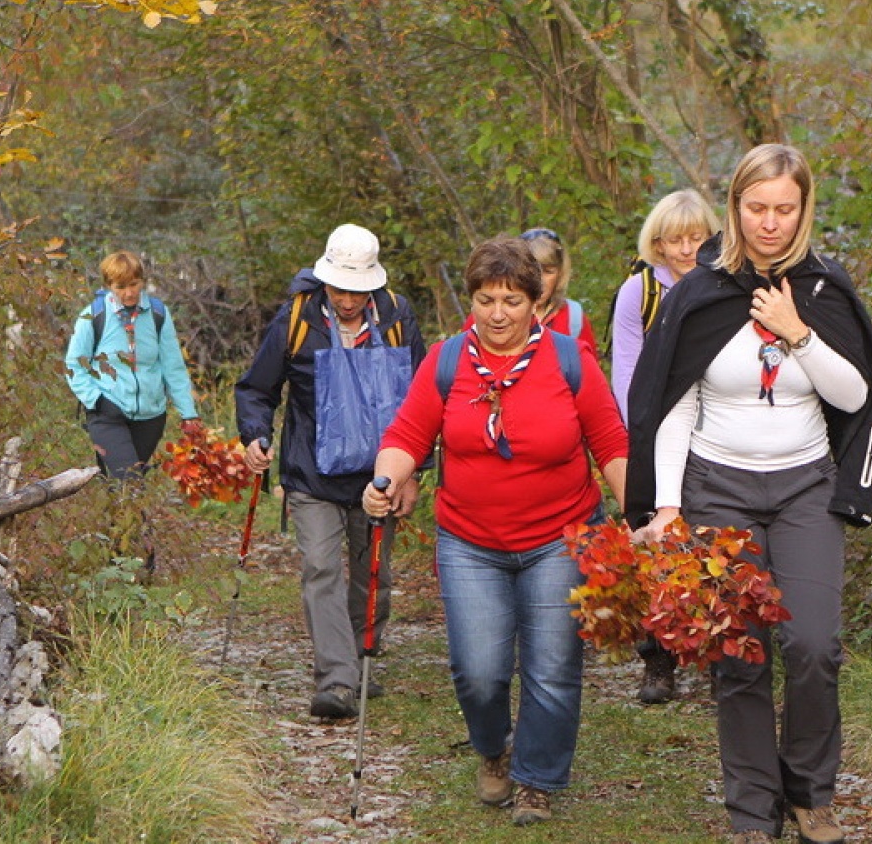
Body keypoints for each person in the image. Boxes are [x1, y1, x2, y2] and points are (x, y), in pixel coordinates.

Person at [624, 145, 872, 844]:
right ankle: (752, 811)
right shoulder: (701, 291)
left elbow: (858, 395)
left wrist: (797, 333)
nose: (770, 223)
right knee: (739, 654)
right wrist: (668, 505)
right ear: (735, 206)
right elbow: (672, 403)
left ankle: (810, 793)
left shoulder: (824, 289)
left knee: (814, 645)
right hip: (718, 490)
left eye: (785, 209)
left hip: (806, 488)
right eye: (756, 208)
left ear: (804, 210)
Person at [363, 237, 627, 827]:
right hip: (469, 540)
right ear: (472, 301)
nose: (498, 314)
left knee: (552, 666)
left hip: (561, 537)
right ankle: (493, 748)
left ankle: (536, 779)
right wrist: (386, 478)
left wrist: (643, 515)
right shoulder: (447, 360)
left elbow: (611, 443)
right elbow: (407, 435)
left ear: (537, 301)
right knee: (478, 671)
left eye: (511, 300)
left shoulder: (570, 360)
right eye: (486, 300)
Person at [235, 224, 426, 721]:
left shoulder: (396, 316)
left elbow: (421, 398)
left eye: (357, 291)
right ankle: (337, 680)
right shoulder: (296, 319)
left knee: (372, 574)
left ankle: (360, 659)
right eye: (340, 289)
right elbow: (257, 389)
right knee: (321, 568)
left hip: (379, 474)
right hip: (311, 473)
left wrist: (413, 472)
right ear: (325, 280)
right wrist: (255, 435)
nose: (347, 300)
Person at [609, 188, 719, 704]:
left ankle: (718, 655)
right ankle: (658, 658)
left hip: (714, 431)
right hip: (652, 432)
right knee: (654, 544)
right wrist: (642, 434)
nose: (687, 249)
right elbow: (627, 369)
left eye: (696, 238)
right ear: (658, 243)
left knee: (712, 544)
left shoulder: (720, 284)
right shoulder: (639, 292)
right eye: (677, 240)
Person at [65, 250, 200, 482]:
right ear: (108, 285)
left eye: (134, 284)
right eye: (120, 287)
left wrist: (189, 414)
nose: (129, 293)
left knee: (122, 487)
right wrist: (98, 401)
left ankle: (112, 506)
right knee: (130, 481)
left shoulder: (158, 314)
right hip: (107, 414)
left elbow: (173, 367)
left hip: (150, 416)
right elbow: (74, 365)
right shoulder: (94, 316)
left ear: (143, 281)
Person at [462, 227, 597, 353]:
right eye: (532, 272)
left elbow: (587, 365)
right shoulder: (484, 318)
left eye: (548, 271)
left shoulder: (573, 319)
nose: (540, 279)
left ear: (560, 274)